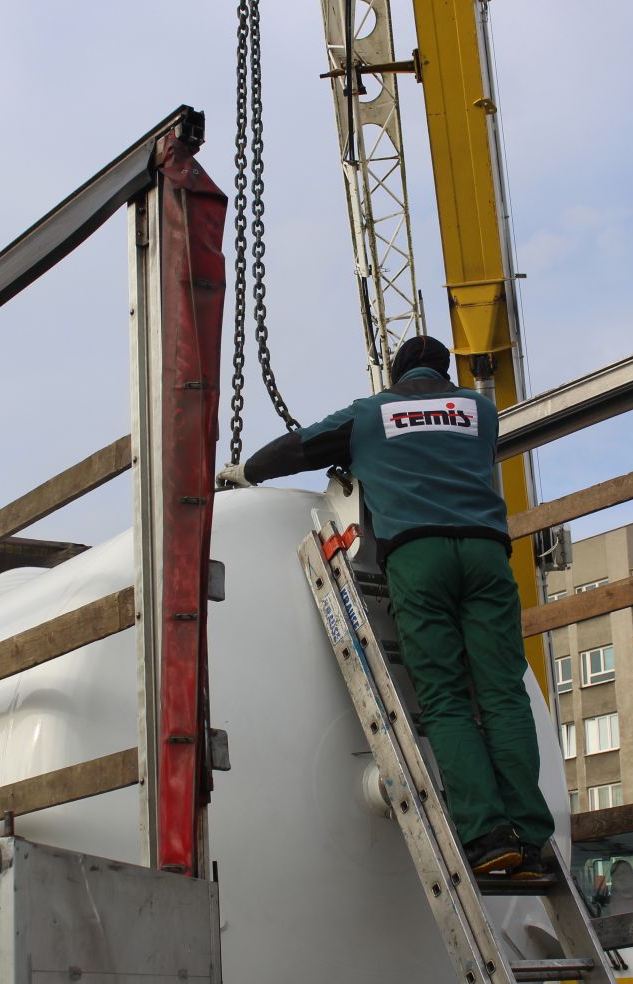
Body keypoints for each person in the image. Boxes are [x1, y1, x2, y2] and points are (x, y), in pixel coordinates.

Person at [218, 336, 554, 877]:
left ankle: (489, 835)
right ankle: (533, 838)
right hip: (487, 555)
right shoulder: (480, 411)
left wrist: (248, 472)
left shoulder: (373, 414)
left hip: (419, 557)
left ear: (396, 375)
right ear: (444, 373)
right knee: (501, 692)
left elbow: (302, 446)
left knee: (443, 696)